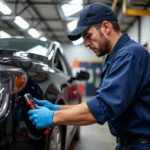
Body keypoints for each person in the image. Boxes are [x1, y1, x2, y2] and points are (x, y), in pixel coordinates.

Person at [28, 2, 150, 150]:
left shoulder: (130, 55)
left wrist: (52, 117)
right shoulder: (115, 57)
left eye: (88, 36)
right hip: (127, 144)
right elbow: (100, 102)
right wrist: (57, 109)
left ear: (106, 27)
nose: (85, 43)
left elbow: (102, 108)